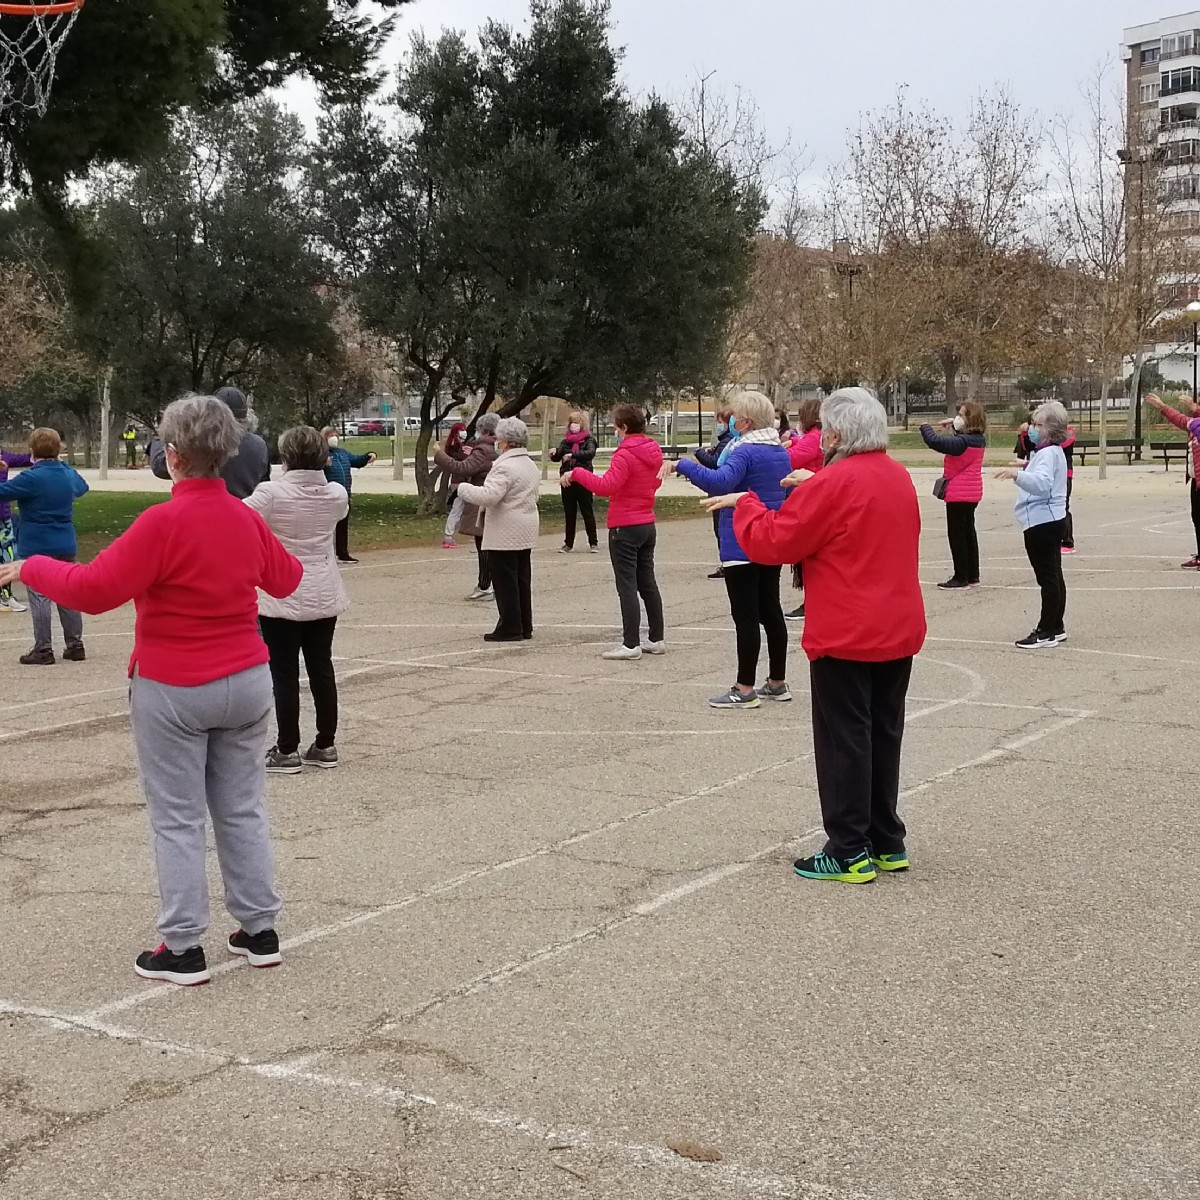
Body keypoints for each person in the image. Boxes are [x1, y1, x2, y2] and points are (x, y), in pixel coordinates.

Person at [0, 394, 302, 984]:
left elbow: (93, 590)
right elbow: (286, 580)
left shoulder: (162, 522)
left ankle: (183, 944)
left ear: (172, 455)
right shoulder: (244, 516)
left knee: (177, 816)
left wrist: (31, 566)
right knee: (240, 807)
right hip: (245, 679)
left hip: (174, 685)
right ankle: (259, 928)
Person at [704, 387, 926, 884]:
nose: (819, 436)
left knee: (844, 738)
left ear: (838, 434)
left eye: (825, 428)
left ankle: (849, 847)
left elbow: (777, 541)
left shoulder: (837, 481)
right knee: (882, 732)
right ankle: (884, 837)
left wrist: (744, 506)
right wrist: (812, 486)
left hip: (850, 627)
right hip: (895, 622)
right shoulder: (894, 475)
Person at [666, 390, 792, 707]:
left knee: (746, 616)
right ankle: (777, 680)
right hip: (770, 536)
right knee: (771, 609)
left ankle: (744, 687)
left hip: (742, 539)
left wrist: (685, 465)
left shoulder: (745, 451)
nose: (731, 420)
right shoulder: (778, 451)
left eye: (734, 415)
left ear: (745, 421)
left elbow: (720, 482)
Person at [247, 427, 350, 773]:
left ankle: (287, 748)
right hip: (323, 586)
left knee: (284, 672)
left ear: (286, 457)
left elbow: (239, 518)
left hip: (282, 589)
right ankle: (325, 743)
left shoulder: (271, 493)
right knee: (322, 667)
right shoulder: (335, 493)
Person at [564, 403, 665, 660]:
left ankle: (631, 643)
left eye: (615, 426)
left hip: (625, 524)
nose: (614, 431)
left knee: (627, 585)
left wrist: (576, 473)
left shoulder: (625, 454)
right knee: (648, 582)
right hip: (646, 521)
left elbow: (607, 486)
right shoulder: (653, 450)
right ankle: (656, 637)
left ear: (624, 427)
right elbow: (655, 480)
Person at [0, 429, 88, 665]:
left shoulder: (31, 478)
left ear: (32, 450)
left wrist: (2, 474)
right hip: (65, 541)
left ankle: (43, 648)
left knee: (40, 595)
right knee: (67, 592)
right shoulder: (66, 474)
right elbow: (83, 486)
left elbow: (2, 493)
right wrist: (64, 463)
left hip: (37, 542)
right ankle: (75, 644)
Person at [455, 417, 540, 641]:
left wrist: (463, 488)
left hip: (506, 529)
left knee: (505, 580)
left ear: (504, 440)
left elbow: (490, 496)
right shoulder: (528, 463)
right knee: (521, 578)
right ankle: (524, 624)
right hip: (525, 525)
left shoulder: (506, 466)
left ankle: (510, 626)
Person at [995, 400, 1070, 649]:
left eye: (1038, 425)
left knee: (1047, 578)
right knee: (1054, 576)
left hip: (1042, 521)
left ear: (1051, 428)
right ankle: (1056, 626)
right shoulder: (1050, 452)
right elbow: (1045, 474)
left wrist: (1018, 475)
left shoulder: (1048, 452)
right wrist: (1026, 466)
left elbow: (1043, 484)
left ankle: (1046, 630)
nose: (1032, 429)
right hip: (1050, 519)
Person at [148, 385, 270, 499]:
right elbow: (264, 485)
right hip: (245, 511)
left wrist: (163, 435)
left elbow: (160, 467)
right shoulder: (259, 445)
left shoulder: (204, 442)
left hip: (199, 507)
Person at [920, 401, 987, 590]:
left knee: (957, 535)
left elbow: (936, 442)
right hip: (971, 493)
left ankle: (961, 577)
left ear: (970, 419)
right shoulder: (977, 439)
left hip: (959, 494)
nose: (958, 417)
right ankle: (973, 575)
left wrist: (925, 427)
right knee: (968, 534)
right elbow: (958, 439)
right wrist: (954, 425)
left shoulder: (964, 443)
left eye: (962, 415)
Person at [435, 413, 500, 601]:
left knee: (484, 544)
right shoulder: (497, 448)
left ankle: (485, 584)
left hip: (482, 498)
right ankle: (490, 584)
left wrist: (439, 454)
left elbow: (463, 468)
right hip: (494, 499)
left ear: (484, 430)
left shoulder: (483, 449)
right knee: (490, 543)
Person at [1145, 392, 1200, 568]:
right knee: (1197, 517)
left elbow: (1184, 421)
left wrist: (1163, 407)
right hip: (1196, 479)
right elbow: (1184, 421)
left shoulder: (1196, 425)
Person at [784, 397, 824, 621]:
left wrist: (776, 449)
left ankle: (811, 602)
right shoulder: (814, 438)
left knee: (808, 556)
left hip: (808, 497)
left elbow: (792, 458)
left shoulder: (812, 438)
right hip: (810, 496)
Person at [321, 427, 376, 563]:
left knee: (342, 526)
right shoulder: (321, 455)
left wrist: (368, 455)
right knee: (327, 528)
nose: (334, 437)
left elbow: (356, 460)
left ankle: (342, 553)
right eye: (330, 435)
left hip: (344, 496)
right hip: (328, 497)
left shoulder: (343, 453)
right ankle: (326, 554)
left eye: (335, 435)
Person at [549, 411, 599, 553]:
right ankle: (568, 543)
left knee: (587, 511)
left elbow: (590, 453)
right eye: (572, 423)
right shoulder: (565, 441)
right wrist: (554, 453)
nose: (574, 426)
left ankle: (593, 542)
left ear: (582, 425)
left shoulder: (589, 440)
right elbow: (559, 456)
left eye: (576, 423)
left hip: (584, 479)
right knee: (569, 512)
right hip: (567, 480)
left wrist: (573, 455)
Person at [696, 407, 736, 579]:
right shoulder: (726, 441)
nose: (719, 426)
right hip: (722, 491)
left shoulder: (728, 441)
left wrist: (700, 453)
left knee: (722, 529)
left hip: (721, 492)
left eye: (721, 423)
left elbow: (715, 464)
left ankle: (727, 564)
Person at [0, 449, 31, 614]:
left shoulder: (4, 456)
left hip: (3, 517)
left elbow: (27, 458)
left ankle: (6, 596)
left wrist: (48, 453)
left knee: (7, 557)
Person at [440, 421, 469, 549]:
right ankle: (448, 536)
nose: (464, 432)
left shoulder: (460, 446)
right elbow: (463, 461)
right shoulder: (454, 447)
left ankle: (449, 535)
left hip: (462, 481)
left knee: (460, 509)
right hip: (459, 482)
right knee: (457, 509)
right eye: (462, 430)